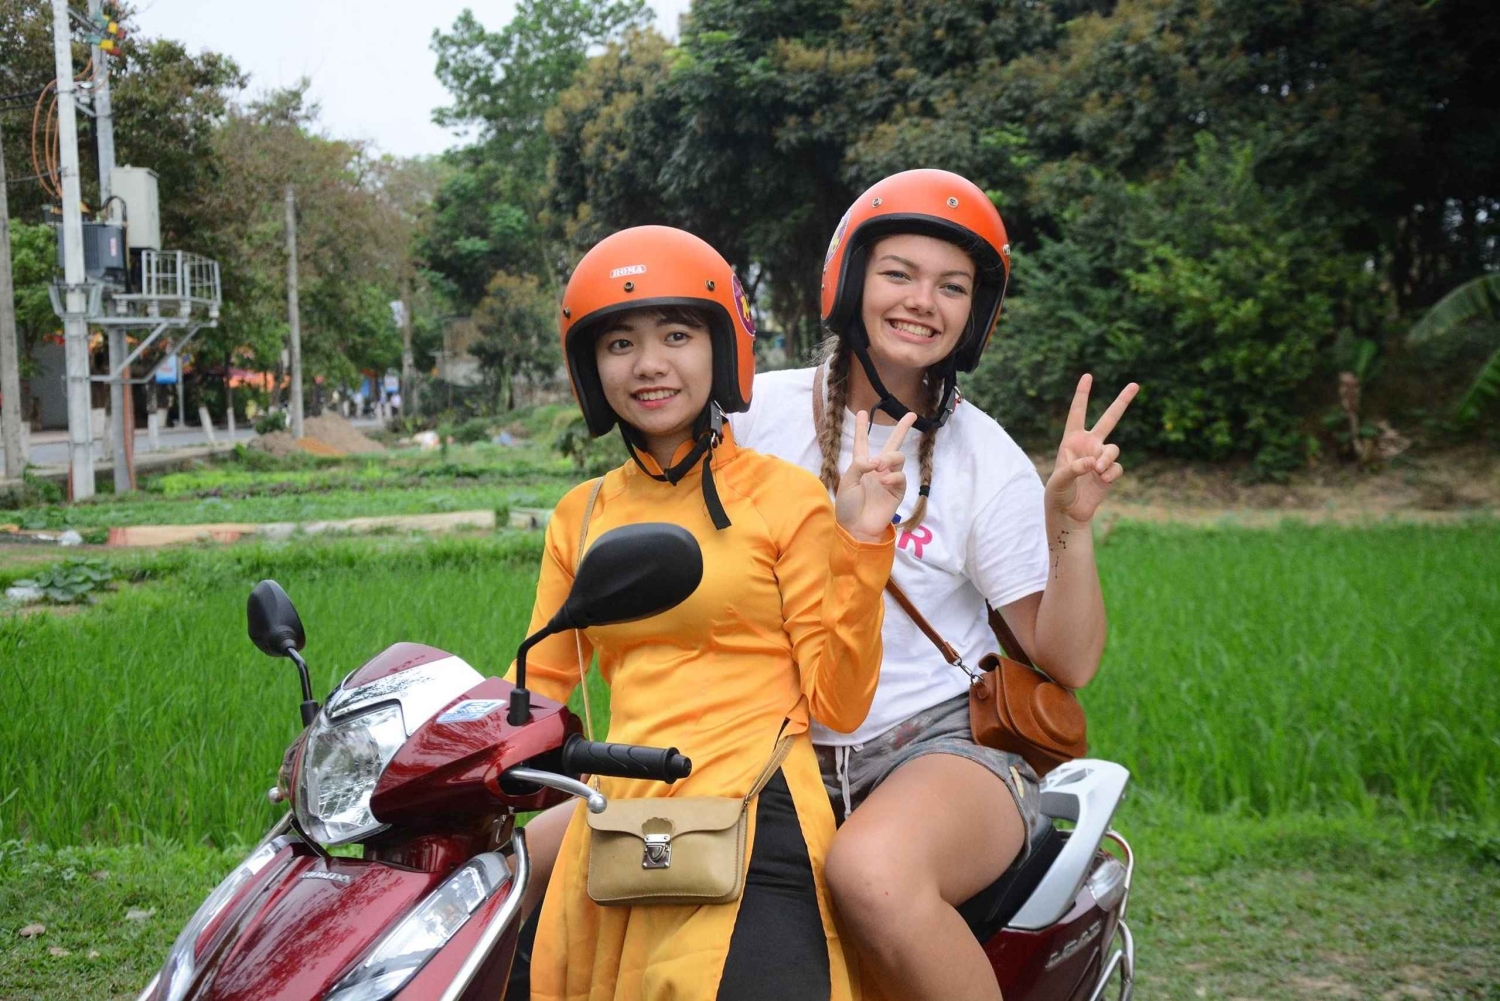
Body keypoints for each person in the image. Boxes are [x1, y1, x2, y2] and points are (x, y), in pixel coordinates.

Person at [731, 169, 1138, 1001]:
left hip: (938, 748)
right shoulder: (753, 418)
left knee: (872, 871)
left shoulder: (983, 456)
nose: (923, 301)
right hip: (768, 748)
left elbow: (1067, 657)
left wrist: (1070, 520)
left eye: (952, 286)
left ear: (975, 314)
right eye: (899, 274)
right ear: (850, 281)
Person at [511, 225, 916, 1001]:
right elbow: (536, 686)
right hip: (622, 814)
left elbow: (838, 702)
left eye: (676, 335)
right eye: (620, 343)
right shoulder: (581, 515)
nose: (649, 363)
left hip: (754, 807)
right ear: (592, 368)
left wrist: (862, 543)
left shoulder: (783, 495)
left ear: (722, 348)